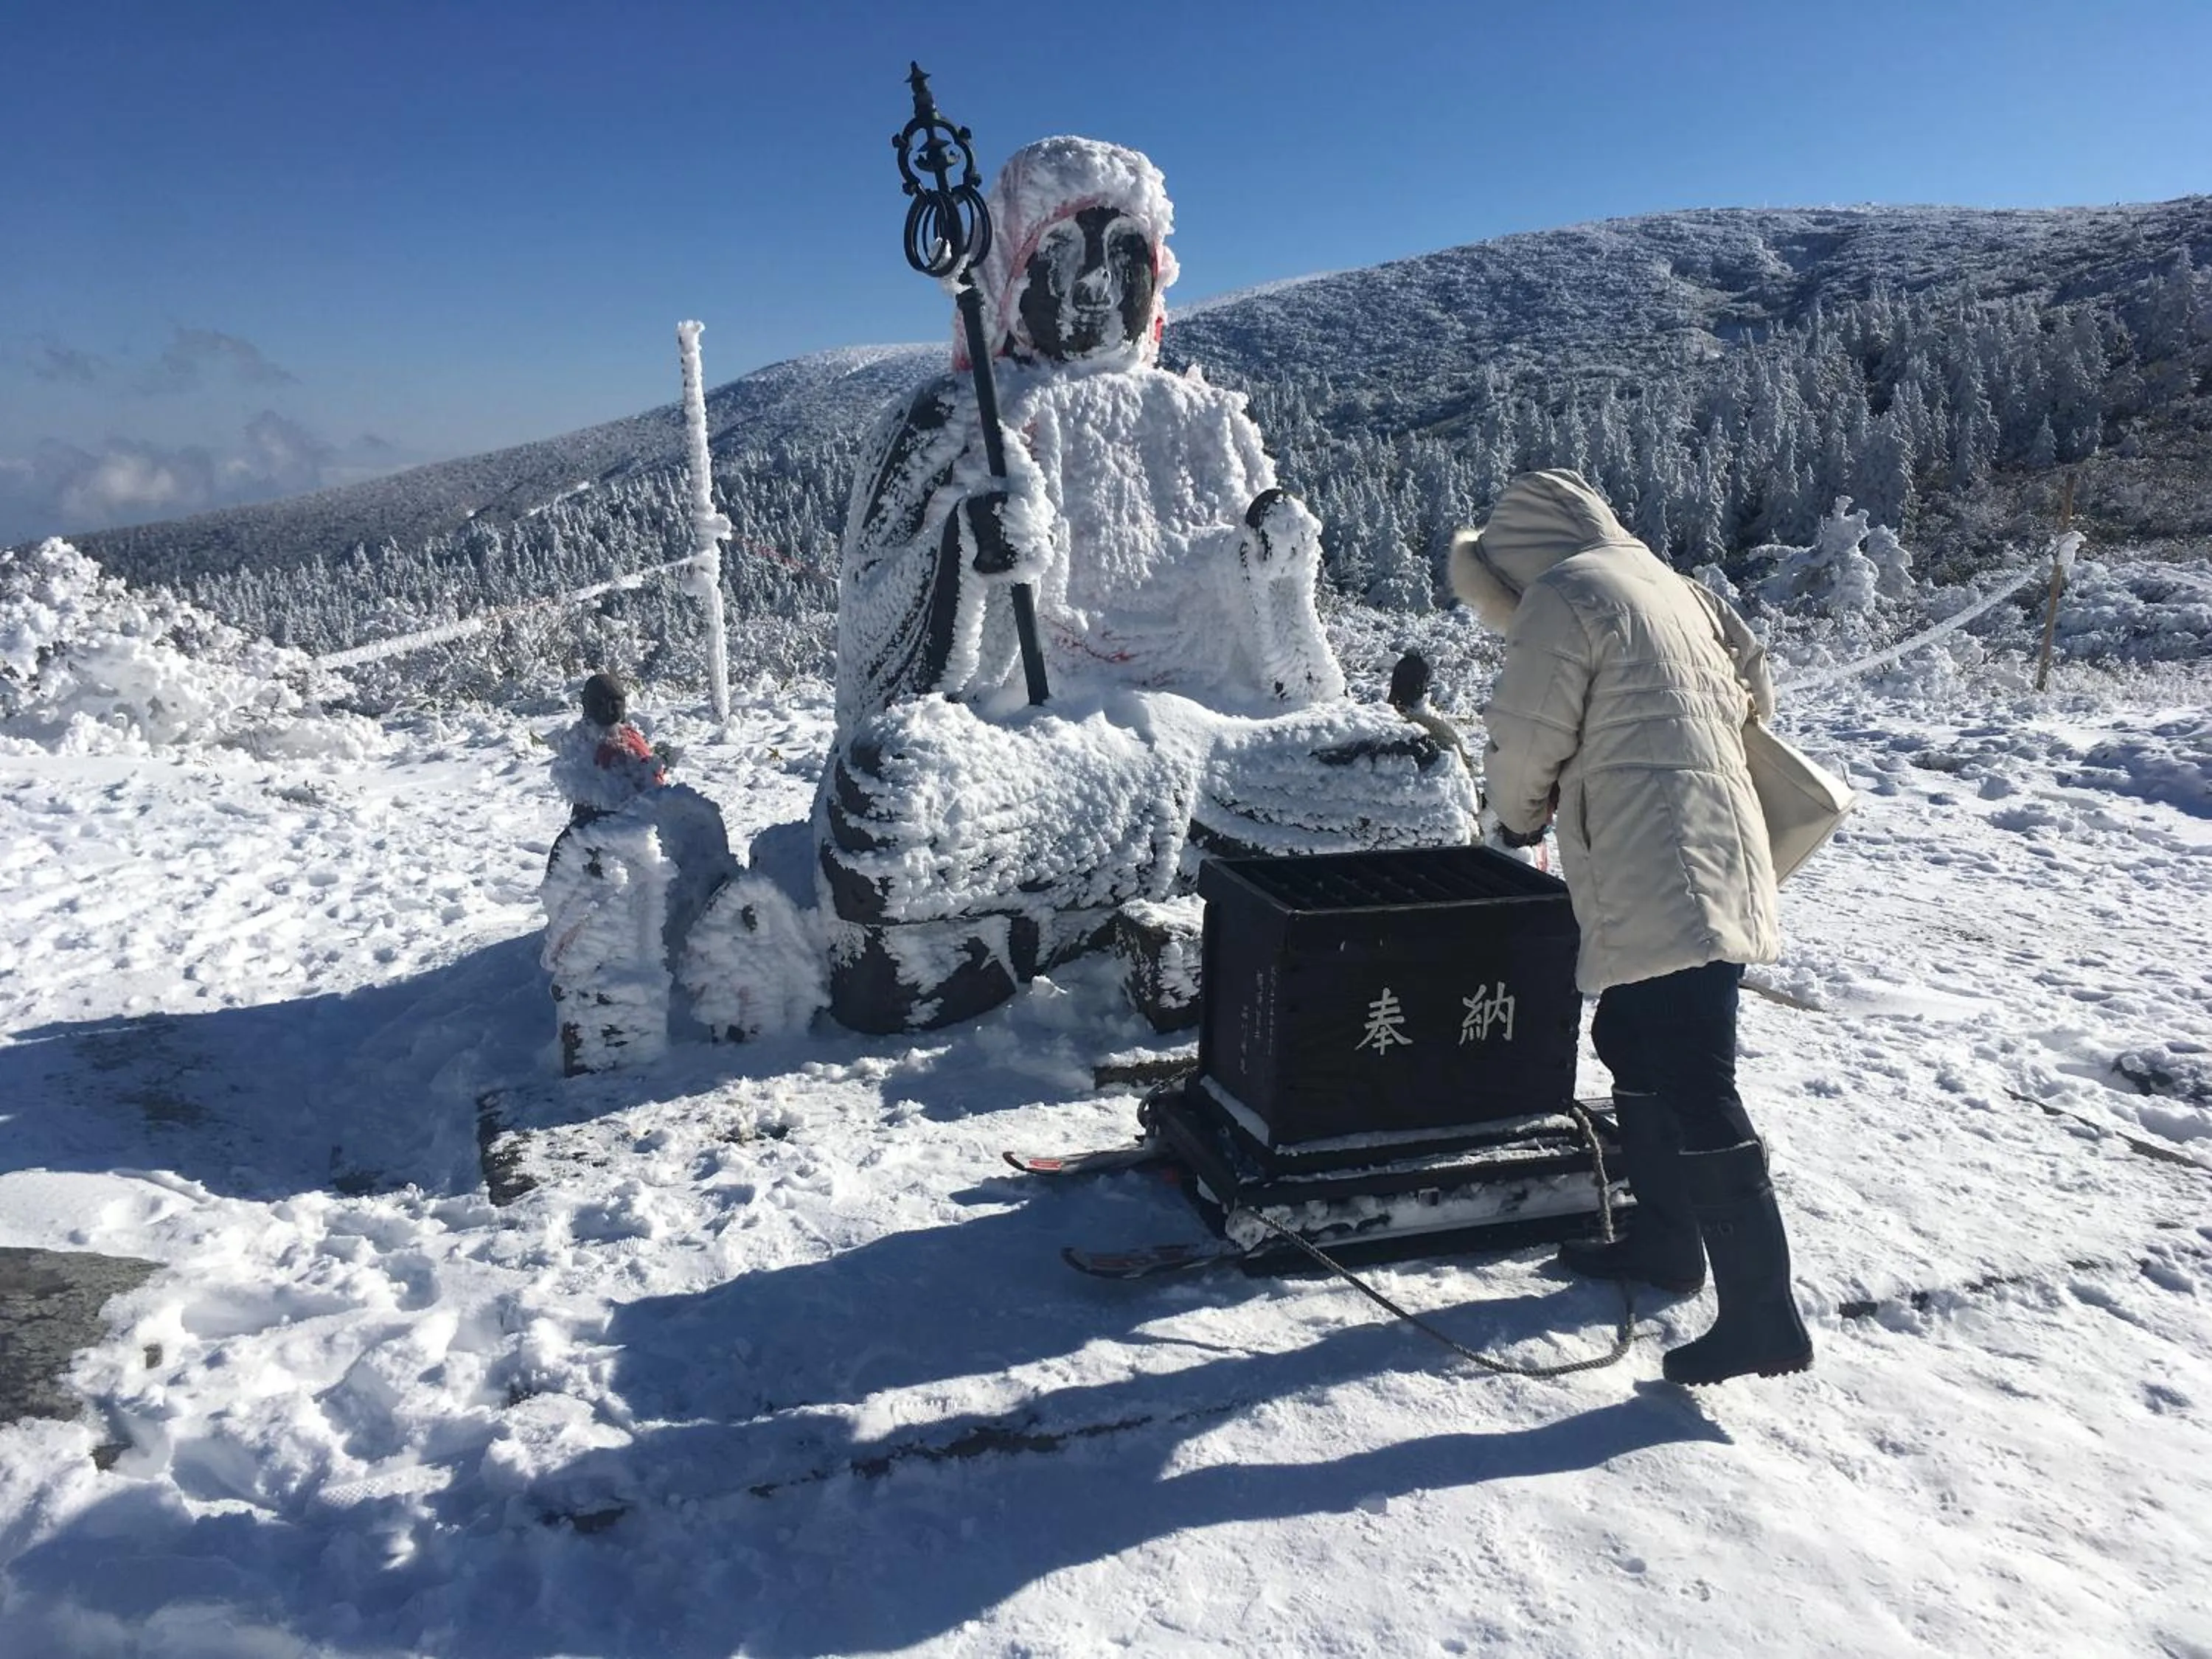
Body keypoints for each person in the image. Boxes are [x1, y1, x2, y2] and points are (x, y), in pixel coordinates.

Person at [818, 135, 1475, 1032]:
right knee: (892, 794)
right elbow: (875, 678)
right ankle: (1220, 884)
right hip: (1052, 766)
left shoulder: (1209, 422)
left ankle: (1075, 909)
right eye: (1061, 254)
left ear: (1158, 274)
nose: (1095, 284)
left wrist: (1274, 585)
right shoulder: (950, 418)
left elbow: (1300, 691)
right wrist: (965, 561)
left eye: (1124, 255)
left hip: (1225, 761)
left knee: (1421, 776)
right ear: (1009, 275)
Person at [1450, 468, 1812, 1386]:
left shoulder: (1565, 594)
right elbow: (1758, 695)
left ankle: (1764, 1315)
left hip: (1652, 852)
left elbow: (1526, 732)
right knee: (1633, 1035)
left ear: (1515, 562)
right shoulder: (1676, 586)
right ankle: (1664, 1242)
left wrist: (1516, 815)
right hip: (1719, 839)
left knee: (1694, 1070)